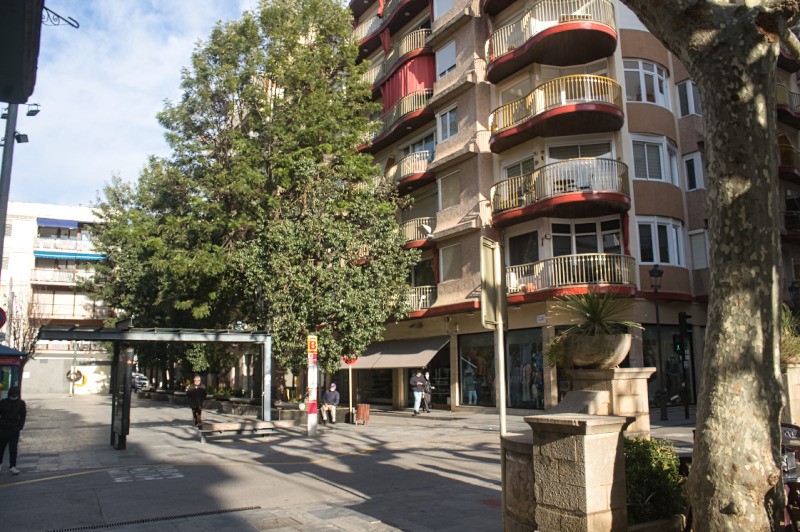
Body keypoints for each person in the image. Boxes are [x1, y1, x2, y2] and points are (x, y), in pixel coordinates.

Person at [0, 386, 26, 475]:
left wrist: (20, 426)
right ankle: (3, 465)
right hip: (4, 429)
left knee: (13, 448)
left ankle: (12, 466)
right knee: (1, 448)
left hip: (13, 429)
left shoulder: (21, 403)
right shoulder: (3, 403)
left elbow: (23, 415)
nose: (14, 395)